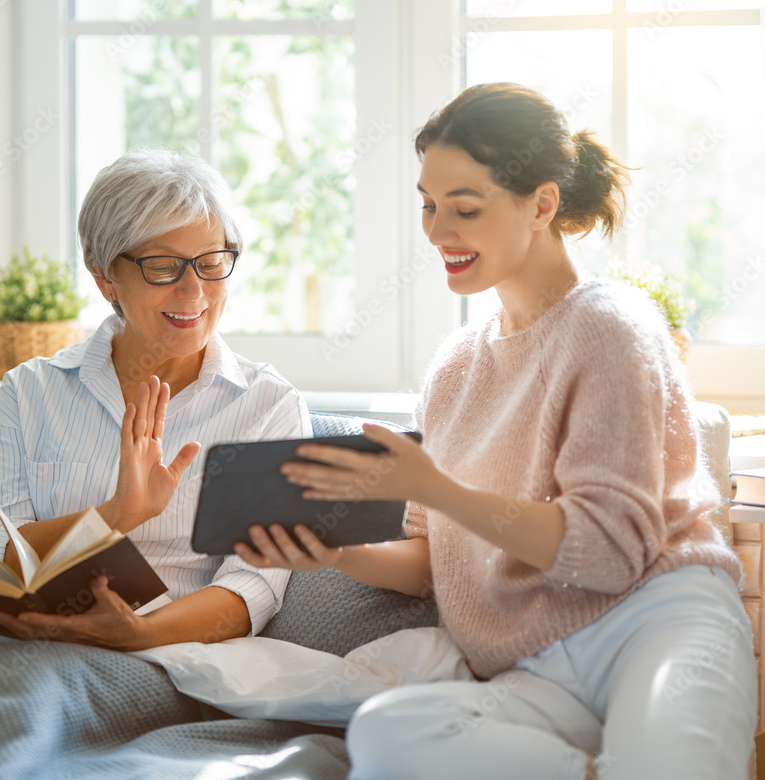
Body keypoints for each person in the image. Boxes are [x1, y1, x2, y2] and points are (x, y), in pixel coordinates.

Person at [235, 82, 756, 779]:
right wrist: (330, 553)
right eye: (428, 205)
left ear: (542, 205)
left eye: (465, 208)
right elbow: (430, 564)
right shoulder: (453, 369)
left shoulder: (611, 327)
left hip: (654, 621)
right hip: (539, 667)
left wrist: (439, 489)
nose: (437, 231)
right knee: (390, 735)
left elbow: (607, 553)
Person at [0, 149, 310, 650]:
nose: (194, 291)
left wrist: (137, 635)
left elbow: (253, 584)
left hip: (164, 658)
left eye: (212, 263)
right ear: (105, 274)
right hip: (23, 644)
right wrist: (116, 516)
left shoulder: (267, 407)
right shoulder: (30, 391)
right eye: (164, 267)